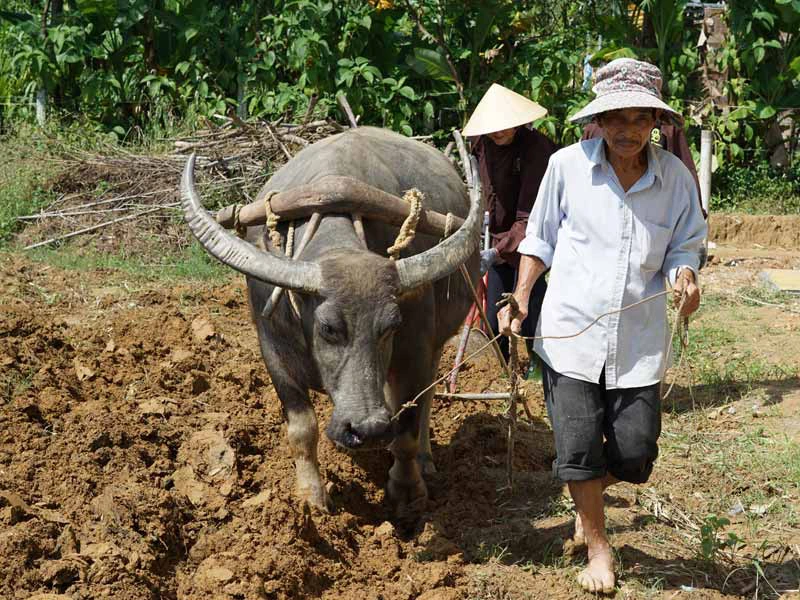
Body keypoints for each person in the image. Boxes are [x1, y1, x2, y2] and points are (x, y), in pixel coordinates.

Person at [498, 58, 706, 594]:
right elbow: (538, 239)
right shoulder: (567, 167)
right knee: (579, 447)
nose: (629, 130)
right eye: (618, 117)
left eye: (641, 119)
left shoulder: (675, 179)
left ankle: (584, 490)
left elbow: (685, 243)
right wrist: (520, 297)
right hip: (570, 336)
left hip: (636, 341)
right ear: (599, 120)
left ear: (656, 124)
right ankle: (598, 546)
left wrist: (685, 275)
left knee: (635, 453)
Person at [462, 84, 559, 376]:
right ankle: (502, 372)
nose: (498, 132)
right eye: (492, 127)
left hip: (531, 240)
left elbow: (531, 214)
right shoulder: (481, 145)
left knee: (530, 306)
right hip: (496, 238)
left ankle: (544, 369)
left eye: (504, 127)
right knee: (493, 317)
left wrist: (497, 250)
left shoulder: (537, 149)